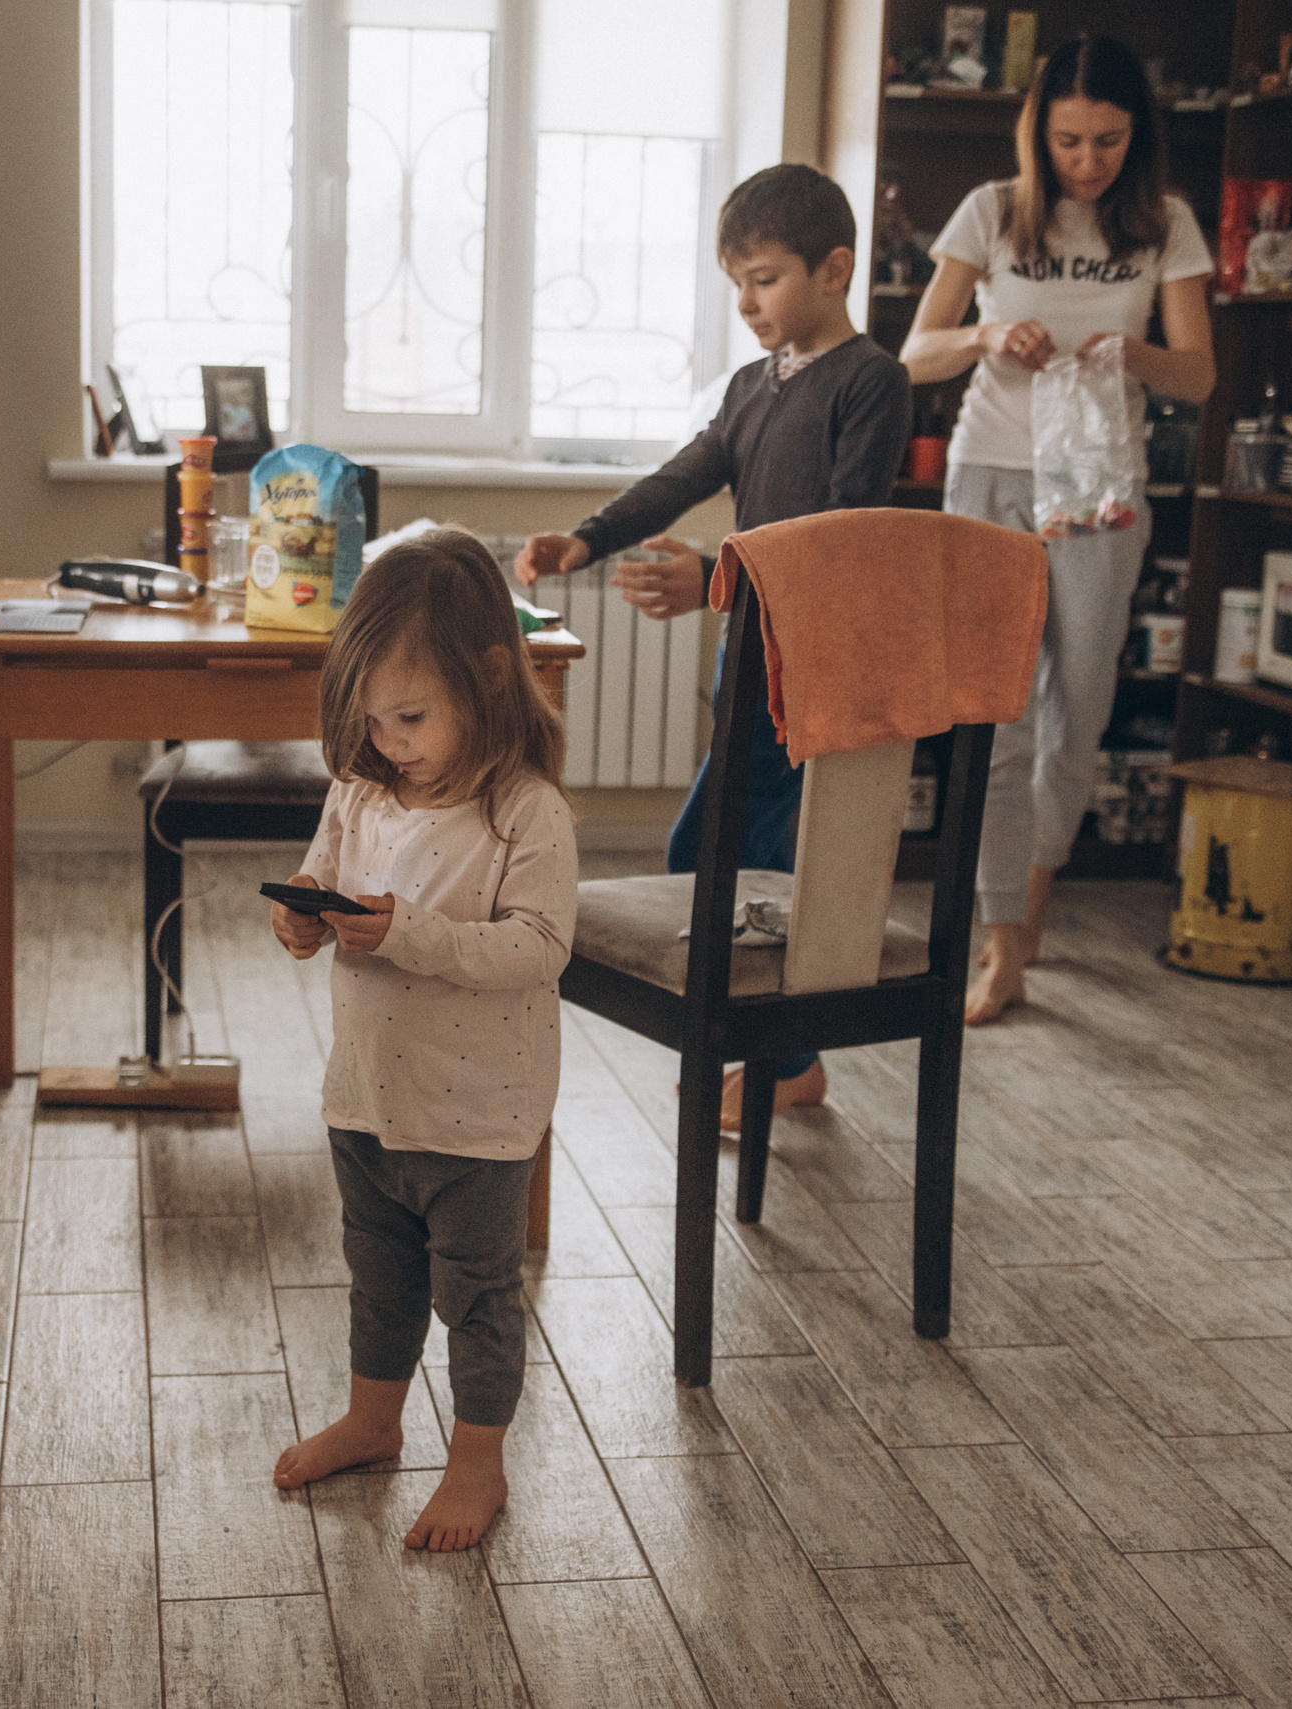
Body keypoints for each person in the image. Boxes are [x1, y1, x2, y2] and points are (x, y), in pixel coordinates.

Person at [512, 163, 912, 1131]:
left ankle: (783, 1057)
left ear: (835, 268)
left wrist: (714, 575)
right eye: (736, 282)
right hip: (750, 660)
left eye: (765, 278)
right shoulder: (750, 386)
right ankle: (785, 1059)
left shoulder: (871, 382)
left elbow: (840, 535)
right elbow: (682, 474)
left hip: (815, 667)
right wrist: (589, 537)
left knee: (730, 852)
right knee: (743, 857)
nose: (745, 302)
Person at [269, 529, 575, 1554]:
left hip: (479, 1114)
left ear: (489, 677)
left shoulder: (522, 812)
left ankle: (477, 1459)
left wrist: (410, 932)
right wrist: (301, 915)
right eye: (372, 718)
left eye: (410, 715)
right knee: (379, 1274)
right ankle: (373, 1416)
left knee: (476, 1293)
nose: (389, 738)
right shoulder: (360, 791)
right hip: (365, 1094)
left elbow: (535, 949)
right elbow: (321, 876)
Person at [900, 35, 1215, 1025]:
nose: (1087, 161)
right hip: (990, 469)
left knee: (1075, 707)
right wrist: (987, 335)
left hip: (1098, 481)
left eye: (1109, 142)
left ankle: (1028, 910)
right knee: (996, 712)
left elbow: (1199, 375)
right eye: (1070, 140)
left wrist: (1137, 355)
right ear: (1037, 130)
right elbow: (913, 354)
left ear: (1138, 136)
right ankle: (1002, 943)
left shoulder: (1165, 223)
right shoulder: (990, 210)